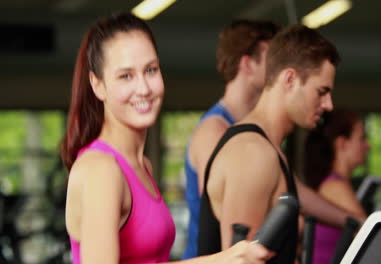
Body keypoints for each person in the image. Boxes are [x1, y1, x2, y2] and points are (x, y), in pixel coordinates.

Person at [61, 12, 271, 264]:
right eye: (126, 76)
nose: (144, 88)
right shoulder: (101, 169)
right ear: (98, 85)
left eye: (150, 70)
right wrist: (220, 260)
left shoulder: (141, 165)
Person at [197, 24, 344, 263]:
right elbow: (239, 261)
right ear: (290, 79)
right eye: (321, 91)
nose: (328, 105)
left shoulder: (270, 150)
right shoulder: (253, 153)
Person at [183, 19, 280, 259]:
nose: (279, 68)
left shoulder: (254, 133)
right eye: (272, 60)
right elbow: (224, 209)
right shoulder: (213, 130)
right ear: (247, 63)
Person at [303, 109, 369, 264]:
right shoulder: (335, 186)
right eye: (361, 139)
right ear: (342, 143)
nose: (367, 145)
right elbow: (371, 239)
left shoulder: (334, 184)